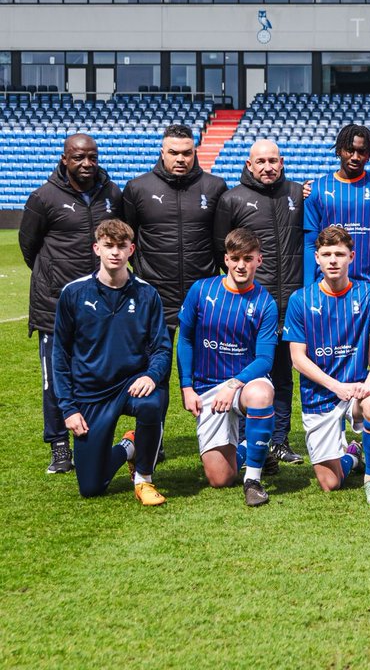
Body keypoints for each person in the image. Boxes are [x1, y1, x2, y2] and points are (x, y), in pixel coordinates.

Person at [20, 133, 123, 474]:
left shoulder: (112, 194)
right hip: (55, 306)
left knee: (98, 372)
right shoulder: (43, 198)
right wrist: (54, 280)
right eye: (78, 157)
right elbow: (29, 248)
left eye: (92, 157)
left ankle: (94, 436)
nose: (86, 164)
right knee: (56, 378)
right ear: (64, 159)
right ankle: (59, 445)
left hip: (101, 304)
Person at [122, 123, 228, 445]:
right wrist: (144, 276)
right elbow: (128, 240)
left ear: (195, 152)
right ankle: (151, 440)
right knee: (156, 372)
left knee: (215, 368)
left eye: (186, 153)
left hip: (203, 299)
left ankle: (218, 439)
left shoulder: (215, 187)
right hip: (155, 299)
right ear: (162, 152)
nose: (180, 159)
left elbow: (220, 243)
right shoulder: (137, 188)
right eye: (173, 153)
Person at [52, 219, 171, 504]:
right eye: (108, 246)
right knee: (91, 487)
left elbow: (162, 348)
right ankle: (129, 447)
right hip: (91, 392)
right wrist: (68, 409)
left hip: (131, 384)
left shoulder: (146, 294)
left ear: (132, 250)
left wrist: (151, 376)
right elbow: (60, 355)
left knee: (153, 403)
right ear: (97, 249)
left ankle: (144, 479)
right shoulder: (74, 293)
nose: (115, 252)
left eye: (121, 246)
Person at [304, 123, 370, 465]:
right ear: (339, 150)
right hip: (328, 292)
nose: (355, 156)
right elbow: (308, 242)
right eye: (349, 149)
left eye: (362, 151)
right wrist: (309, 290)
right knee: (333, 358)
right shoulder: (319, 191)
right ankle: (339, 437)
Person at [213, 139, 306, 467]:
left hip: (290, 302)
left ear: (281, 162)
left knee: (283, 375)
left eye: (273, 161)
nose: (267, 167)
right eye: (260, 162)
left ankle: (279, 441)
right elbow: (219, 252)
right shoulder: (232, 199)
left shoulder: (295, 193)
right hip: (249, 304)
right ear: (249, 165)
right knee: (245, 372)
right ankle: (243, 441)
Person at [284, 226, 370, 505]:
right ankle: (353, 456)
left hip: (357, 389)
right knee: (329, 483)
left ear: (352, 257)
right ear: (317, 258)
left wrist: (369, 385)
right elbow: (297, 358)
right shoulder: (300, 300)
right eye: (327, 254)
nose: (333, 260)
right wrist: (335, 386)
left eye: (340, 254)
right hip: (319, 395)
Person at [176, 228, 279, 506]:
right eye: (235, 258)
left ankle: (253, 480)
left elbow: (265, 360)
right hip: (207, 387)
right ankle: (250, 447)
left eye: (248, 258)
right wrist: (186, 386)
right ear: (226, 259)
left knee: (261, 395)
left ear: (259, 260)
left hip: (243, 385)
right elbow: (184, 339)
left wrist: (232, 385)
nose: (241, 265)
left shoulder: (265, 303)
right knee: (220, 479)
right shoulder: (201, 290)